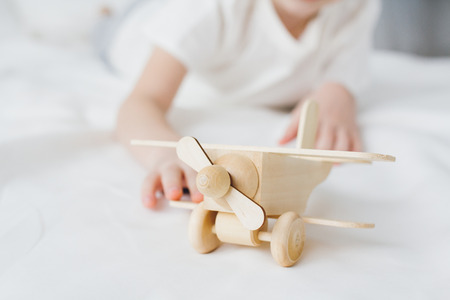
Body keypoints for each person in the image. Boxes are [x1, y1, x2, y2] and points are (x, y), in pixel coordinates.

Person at [112, 0, 380, 209]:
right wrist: (166, 155)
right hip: (131, 30)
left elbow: (341, 80)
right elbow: (142, 101)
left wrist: (338, 91)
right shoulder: (208, 8)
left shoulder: (356, 8)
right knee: (112, 21)